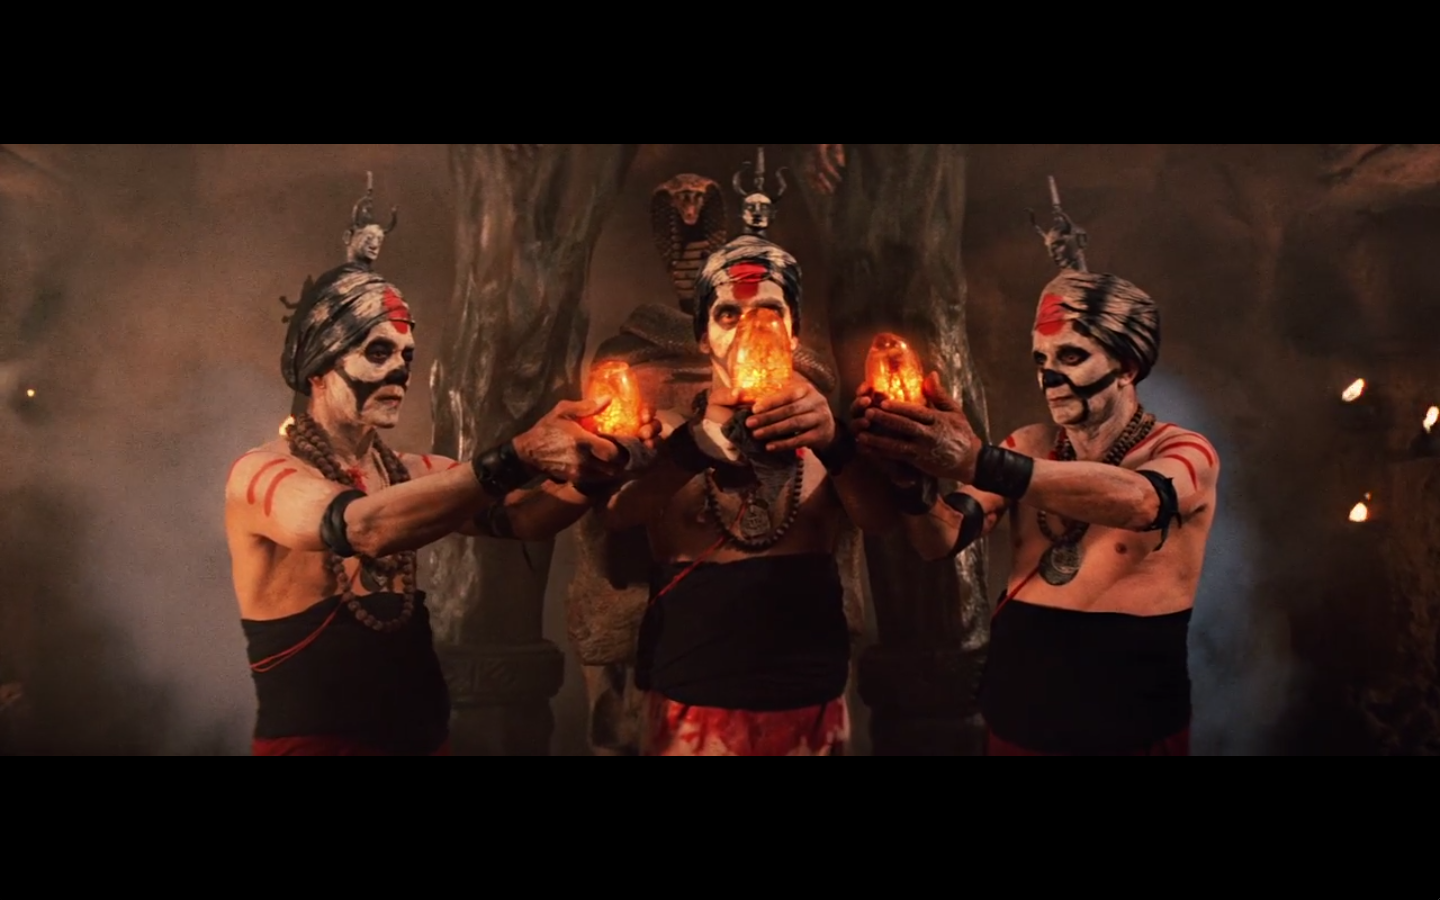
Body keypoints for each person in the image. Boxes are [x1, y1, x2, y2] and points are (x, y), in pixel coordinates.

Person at [226, 186, 648, 757]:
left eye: (406, 356)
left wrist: (594, 472)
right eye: (378, 352)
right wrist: (519, 454)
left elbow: (522, 519)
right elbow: (361, 527)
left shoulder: (407, 471)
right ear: (319, 368)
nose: (399, 371)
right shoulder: (259, 474)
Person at [851, 181, 1220, 756]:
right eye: (1041, 358)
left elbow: (1141, 502)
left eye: (1071, 356)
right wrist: (912, 487)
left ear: (1127, 366)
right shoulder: (1028, 444)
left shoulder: (1186, 451)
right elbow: (940, 539)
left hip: (1130, 731)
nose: (1049, 376)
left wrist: (977, 460)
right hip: (1017, 724)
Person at [599, 227, 904, 757]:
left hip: (810, 706)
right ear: (703, 336)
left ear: (793, 332)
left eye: (769, 313)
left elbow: (880, 521)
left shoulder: (826, 436)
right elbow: (618, 514)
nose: (750, 332)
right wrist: (694, 448)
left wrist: (836, 444)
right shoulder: (664, 433)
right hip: (688, 709)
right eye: (727, 315)